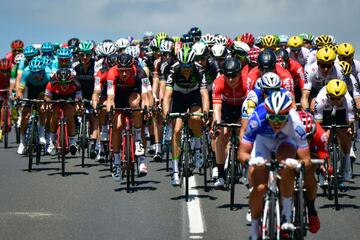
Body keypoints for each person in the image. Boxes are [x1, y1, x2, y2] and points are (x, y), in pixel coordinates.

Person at [238, 91, 317, 239]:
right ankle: (254, 228)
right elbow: (242, 153)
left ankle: (286, 215)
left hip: (286, 142)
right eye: (272, 117)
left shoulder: (296, 124)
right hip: (263, 143)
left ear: (288, 114)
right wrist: (250, 161)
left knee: (286, 167)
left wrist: (297, 163)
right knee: (259, 187)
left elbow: (306, 160)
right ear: (266, 114)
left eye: (281, 117)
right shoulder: (257, 119)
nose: (276, 122)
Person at [162, 46, 209, 186]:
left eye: (188, 66)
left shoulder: (199, 69)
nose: (186, 69)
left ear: (193, 63)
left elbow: (204, 95)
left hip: (194, 94)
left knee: (196, 118)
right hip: (179, 95)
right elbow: (167, 97)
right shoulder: (173, 69)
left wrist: (205, 112)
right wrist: (166, 115)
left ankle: (198, 146)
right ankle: (175, 170)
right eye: (183, 66)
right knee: (176, 130)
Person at [106, 53, 151, 182]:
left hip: (133, 93)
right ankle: (116, 162)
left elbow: (146, 96)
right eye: (121, 71)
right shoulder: (111, 73)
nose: (124, 74)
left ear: (132, 67)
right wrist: (110, 110)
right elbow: (110, 98)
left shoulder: (140, 72)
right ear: (117, 68)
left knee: (136, 105)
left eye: (127, 71)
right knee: (117, 127)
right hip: (118, 96)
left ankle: (137, 140)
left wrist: (146, 108)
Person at [211, 57, 247, 187]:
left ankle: (245, 170)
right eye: (227, 75)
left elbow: (251, 107)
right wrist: (217, 124)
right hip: (226, 107)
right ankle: (220, 174)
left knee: (244, 135)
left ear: (240, 73)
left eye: (234, 75)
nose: (230, 79)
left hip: (243, 107)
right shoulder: (219, 82)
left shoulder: (247, 81)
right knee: (222, 135)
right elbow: (216, 108)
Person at [314, 79, 354, 180]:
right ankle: (323, 164)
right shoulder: (320, 100)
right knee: (322, 138)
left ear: (343, 96)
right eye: (332, 98)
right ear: (328, 95)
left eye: (338, 98)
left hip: (342, 112)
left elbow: (350, 123)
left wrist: (350, 130)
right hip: (325, 112)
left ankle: (346, 163)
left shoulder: (348, 101)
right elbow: (318, 125)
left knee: (346, 134)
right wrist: (324, 134)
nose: (335, 101)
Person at [16, 56, 52, 154]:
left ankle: (41, 134)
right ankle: (22, 142)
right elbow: (20, 89)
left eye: (39, 73)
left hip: (43, 90)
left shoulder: (49, 74)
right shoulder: (27, 71)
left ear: (43, 70)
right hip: (31, 90)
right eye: (34, 73)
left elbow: (51, 91)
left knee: (42, 107)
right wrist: (19, 98)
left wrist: (47, 101)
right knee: (25, 116)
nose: (36, 76)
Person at [45, 69, 82, 155]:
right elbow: (47, 98)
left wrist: (78, 106)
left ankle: (72, 142)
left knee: (70, 113)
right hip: (56, 95)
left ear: (70, 81)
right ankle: (52, 141)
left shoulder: (77, 84)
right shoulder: (51, 84)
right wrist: (48, 104)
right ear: (57, 81)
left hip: (70, 95)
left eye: (66, 83)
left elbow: (78, 100)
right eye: (61, 83)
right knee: (54, 113)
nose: (64, 85)